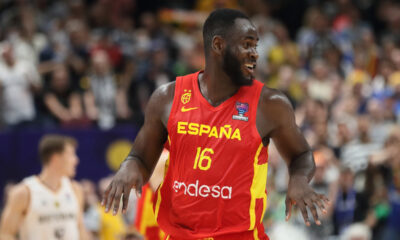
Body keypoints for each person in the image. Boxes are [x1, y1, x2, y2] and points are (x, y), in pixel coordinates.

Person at [102, 9, 329, 239]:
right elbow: (141, 157)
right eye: (247, 45)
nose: (255, 54)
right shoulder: (167, 97)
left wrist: (299, 180)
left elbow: (301, 155)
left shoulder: (270, 104)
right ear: (219, 45)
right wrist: (128, 167)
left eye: (255, 46)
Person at [0, 134, 90, 240]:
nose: (76, 160)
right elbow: (5, 234)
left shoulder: (75, 189)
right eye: (71, 155)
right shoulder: (24, 192)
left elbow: (80, 229)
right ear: (56, 158)